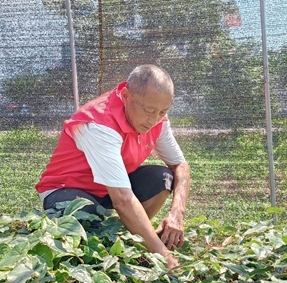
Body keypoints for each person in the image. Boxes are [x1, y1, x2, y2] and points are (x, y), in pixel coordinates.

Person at [35, 64, 190, 270]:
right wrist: (166, 259)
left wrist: (176, 213)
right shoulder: (99, 123)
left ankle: (131, 235)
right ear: (126, 96)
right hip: (66, 191)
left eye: (162, 111)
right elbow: (122, 199)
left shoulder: (157, 121)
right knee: (88, 216)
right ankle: (116, 245)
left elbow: (180, 165)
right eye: (149, 110)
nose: (154, 120)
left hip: (108, 189)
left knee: (162, 179)